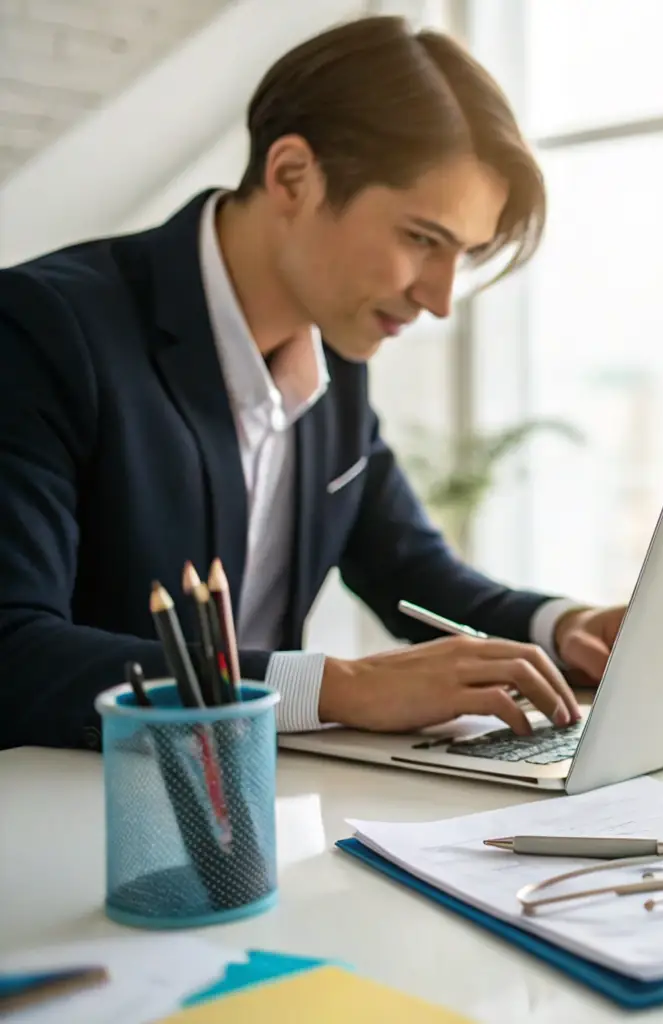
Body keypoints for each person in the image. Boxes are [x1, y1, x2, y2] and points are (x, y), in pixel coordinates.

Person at [0, 15, 625, 751]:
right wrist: (341, 686)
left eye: (464, 254)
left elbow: (410, 570)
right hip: (84, 809)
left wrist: (565, 627)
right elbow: (15, 651)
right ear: (293, 176)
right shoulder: (44, 327)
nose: (439, 298)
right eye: (421, 239)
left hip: (260, 804)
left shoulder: (338, 356)